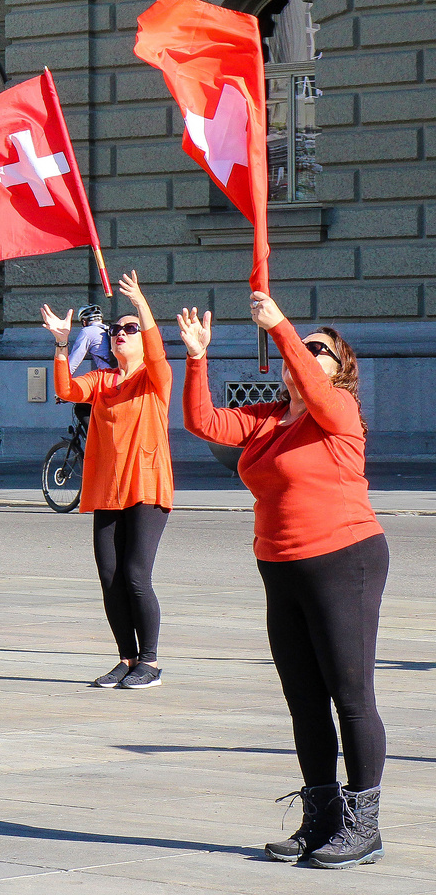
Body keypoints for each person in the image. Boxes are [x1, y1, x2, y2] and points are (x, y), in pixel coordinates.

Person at [179, 291, 387, 869]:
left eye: (318, 348)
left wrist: (280, 327)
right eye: (305, 346)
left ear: (337, 366)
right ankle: (321, 817)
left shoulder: (337, 409)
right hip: (281, 568)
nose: (306, 353)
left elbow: (314, 388)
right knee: (304, 701)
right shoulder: (270, 419)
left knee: (351, 696)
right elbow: (203, 423)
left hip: (345, 558)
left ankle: (363, 825)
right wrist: (197, 358)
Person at [41, 271, 173, 690]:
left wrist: (141, 307)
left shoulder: (154, 379)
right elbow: (64, 387)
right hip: (106, 489)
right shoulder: (102, 381)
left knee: (136, 574)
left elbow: (156, 352)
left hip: (147, 485)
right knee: (110, 576)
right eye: (115, 331)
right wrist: (62, 344)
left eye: (128, 330)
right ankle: (126, 658)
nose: (119, 334)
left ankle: (150, 662)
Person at [68, 304, 116, 433]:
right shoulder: (108, 330)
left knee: (81, 408)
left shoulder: (88, 332)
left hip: (106, 380)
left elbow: (72, 362)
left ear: (84, 321)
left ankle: (96, 442)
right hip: (119, 377)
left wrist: (62, 388)